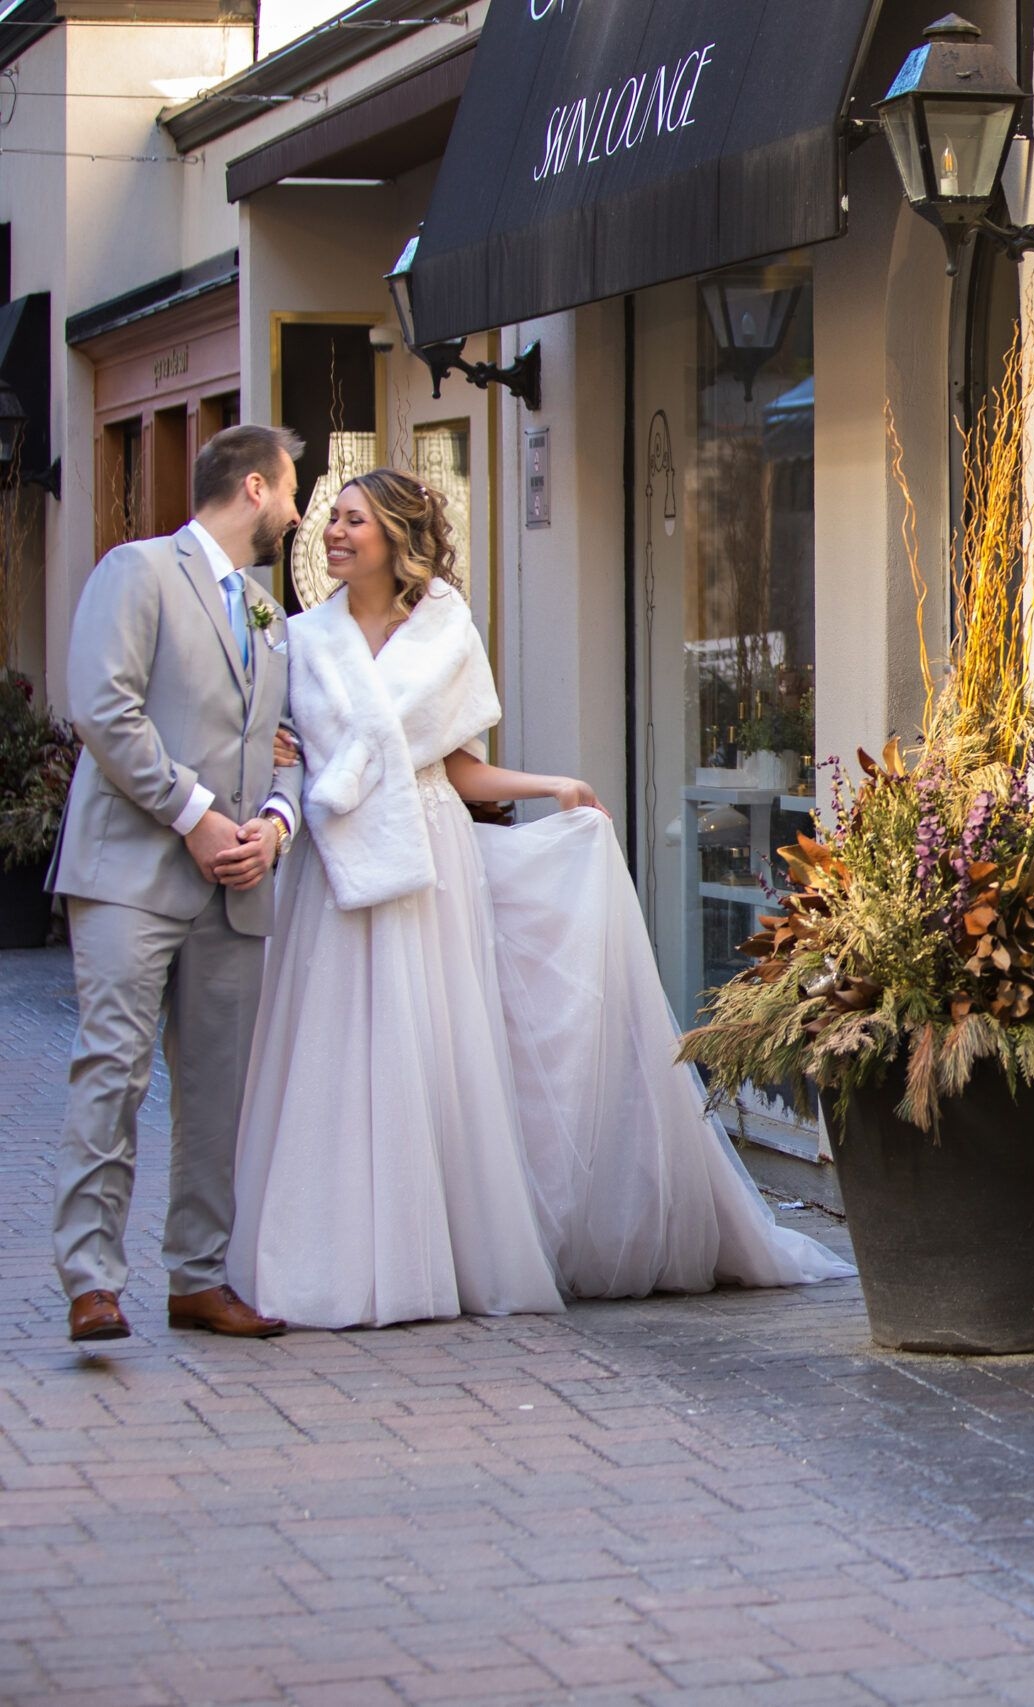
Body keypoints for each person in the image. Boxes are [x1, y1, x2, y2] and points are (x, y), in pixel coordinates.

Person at [227, 469, 850, 1329]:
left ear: (396, 538)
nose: (332, 532)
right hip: (334, 864)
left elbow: (458, 767)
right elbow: (290, 760)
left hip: (426, 850)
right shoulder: (303, 641)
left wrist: (552, 784)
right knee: (336, 1051)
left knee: (428, 1050)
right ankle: (328, 1254)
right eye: (329, 518)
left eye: (352, 520)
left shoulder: (445, 633)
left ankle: (432, 1253)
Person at [49, 425, 307, 1343]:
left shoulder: (271, 617)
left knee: (216, 1090)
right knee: (112, 1070)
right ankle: (91, 1279)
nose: (296, 508)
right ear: (251, 488)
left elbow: (289, 749)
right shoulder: (139, 570)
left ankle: (198, 1276)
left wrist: (273, 828)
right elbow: (104, 708)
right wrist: (196, 813)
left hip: (236, 884)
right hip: (130, 871)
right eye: (290, 490)